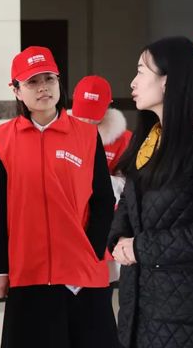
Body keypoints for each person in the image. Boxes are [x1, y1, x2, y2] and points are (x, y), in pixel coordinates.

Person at [108, 36, 193, 348]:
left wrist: (141, 248)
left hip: (189, 314)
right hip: (139, 307)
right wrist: (119, 238)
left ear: (167, 81)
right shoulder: (150, 136)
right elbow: (129, 200)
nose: (132, 82)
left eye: (141, 71)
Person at [0, 46, 118, 348]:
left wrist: (91, 250)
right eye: (32, 82)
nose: (43, 87)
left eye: (49, 79)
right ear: (16, 90)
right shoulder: (3, 138)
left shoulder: (86, 135)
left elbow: (102, 200)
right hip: (27, 271)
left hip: (81, 272)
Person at [70, 75, 133, 284]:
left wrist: (95, 181)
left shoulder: (123, 140)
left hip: (103, 224)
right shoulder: (61, 131)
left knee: (97, 284)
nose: (87, 121)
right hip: (68, 222)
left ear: (108, 107)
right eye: (82, 112)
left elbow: (130, 186)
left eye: (93, 114)